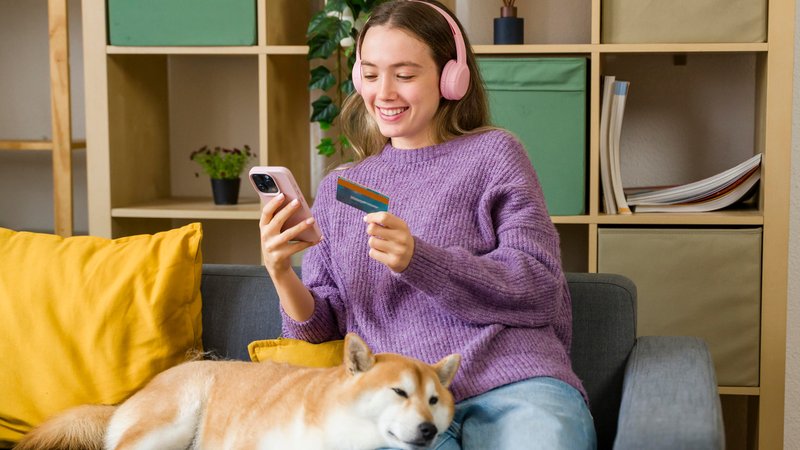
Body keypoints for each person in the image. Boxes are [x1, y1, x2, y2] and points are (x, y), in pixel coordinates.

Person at [258, 1, 596, 448]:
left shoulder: (494, 154)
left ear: (451, 77)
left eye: (405, 74)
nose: (384, 93)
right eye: (372, 74)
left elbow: (538, 288)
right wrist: (281, 273)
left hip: (514, 383)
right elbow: (323, 324)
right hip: (398, 402)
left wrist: (421, 260)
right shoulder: (342, 187)